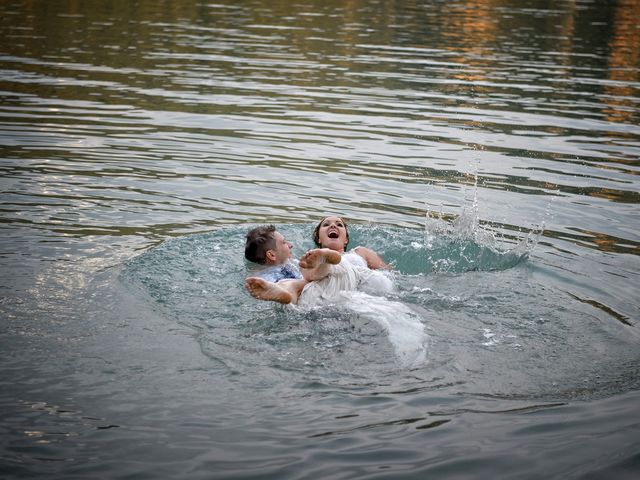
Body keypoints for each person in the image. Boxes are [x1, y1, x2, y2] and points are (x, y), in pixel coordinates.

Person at [244, 217, 393, 305]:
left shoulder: (360, 252)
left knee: (311, 272)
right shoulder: (307, 259)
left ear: (346, 238)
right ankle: (285, 291)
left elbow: (390, 274)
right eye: (326, 224)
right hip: (326, 291)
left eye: (339, 224)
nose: (333, 225)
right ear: (319, 238)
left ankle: (329, 259)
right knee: (303, 278)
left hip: (363, 282)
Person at [244, 225, 341, 304]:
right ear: (271, 255)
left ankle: (325, 259)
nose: (291, 245)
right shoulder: (266, 277)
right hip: (299, 295)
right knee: (291, 285)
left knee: (292, 285)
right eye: (284, 242)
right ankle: (325, 259)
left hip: (292, 295)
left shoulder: (265, 273)